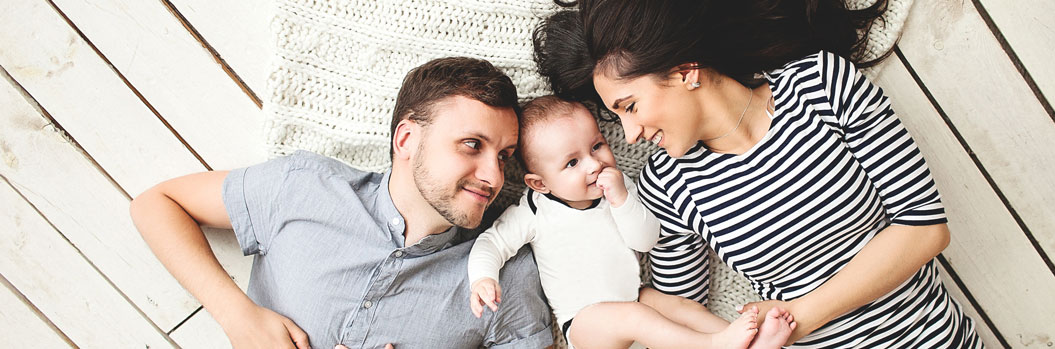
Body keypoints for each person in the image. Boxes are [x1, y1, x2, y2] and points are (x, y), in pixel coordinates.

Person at [532, 0, 983, 347]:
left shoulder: (821, 85)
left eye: (630, 107)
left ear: (686, 71)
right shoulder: (666, 185)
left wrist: (796, 316)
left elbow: (923, 229)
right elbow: (684, 311)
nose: (629, 135)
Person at [130, 57, 553, 349]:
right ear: (406, 140)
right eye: (471, 145)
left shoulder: (506, 274)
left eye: (503, 157)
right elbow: (156, 204)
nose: (494, 177)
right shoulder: (303, 187)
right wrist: (237, 316)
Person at [466, 96, 796, 349]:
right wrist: (483, 277)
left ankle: (740, 337)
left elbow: (645, 241)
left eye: (597, 146)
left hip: (631, 296)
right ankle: (712, 345)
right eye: (572, 162)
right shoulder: (534, 211)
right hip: (584, 322)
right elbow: (493, 242)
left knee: (676, 305)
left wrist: (622, 199)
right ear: (540, 183)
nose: (594, 164)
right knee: (637, 316)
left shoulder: (619, 190)